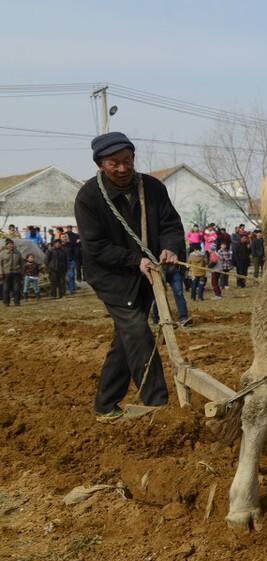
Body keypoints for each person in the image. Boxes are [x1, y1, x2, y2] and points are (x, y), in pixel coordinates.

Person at [74, 131, 185, 423]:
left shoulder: (153, 188)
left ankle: (106, 405)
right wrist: (135, 259)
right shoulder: (88, 198)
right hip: (111, 276)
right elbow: (95, 247)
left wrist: (170, 249)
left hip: (148, 274)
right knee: (136, 329)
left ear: (134, 158)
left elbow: (171, 225)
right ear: (100, 164)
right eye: (114, 163)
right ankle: (158, 405)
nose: (122, 169)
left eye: (127, 161)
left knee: (125, 339)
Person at [2, 238, 23, 305]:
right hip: (6, 273)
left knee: (16, 288)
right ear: (6, 245)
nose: (11, 245)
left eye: (12, 244)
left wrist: (22, 272)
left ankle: (17, 302)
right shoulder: (2, 254)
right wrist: (0, 272)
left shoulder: (18, 253)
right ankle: (6, 302)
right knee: (6, 288)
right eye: (9, 244)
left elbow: (21, 263)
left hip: (16, 273)